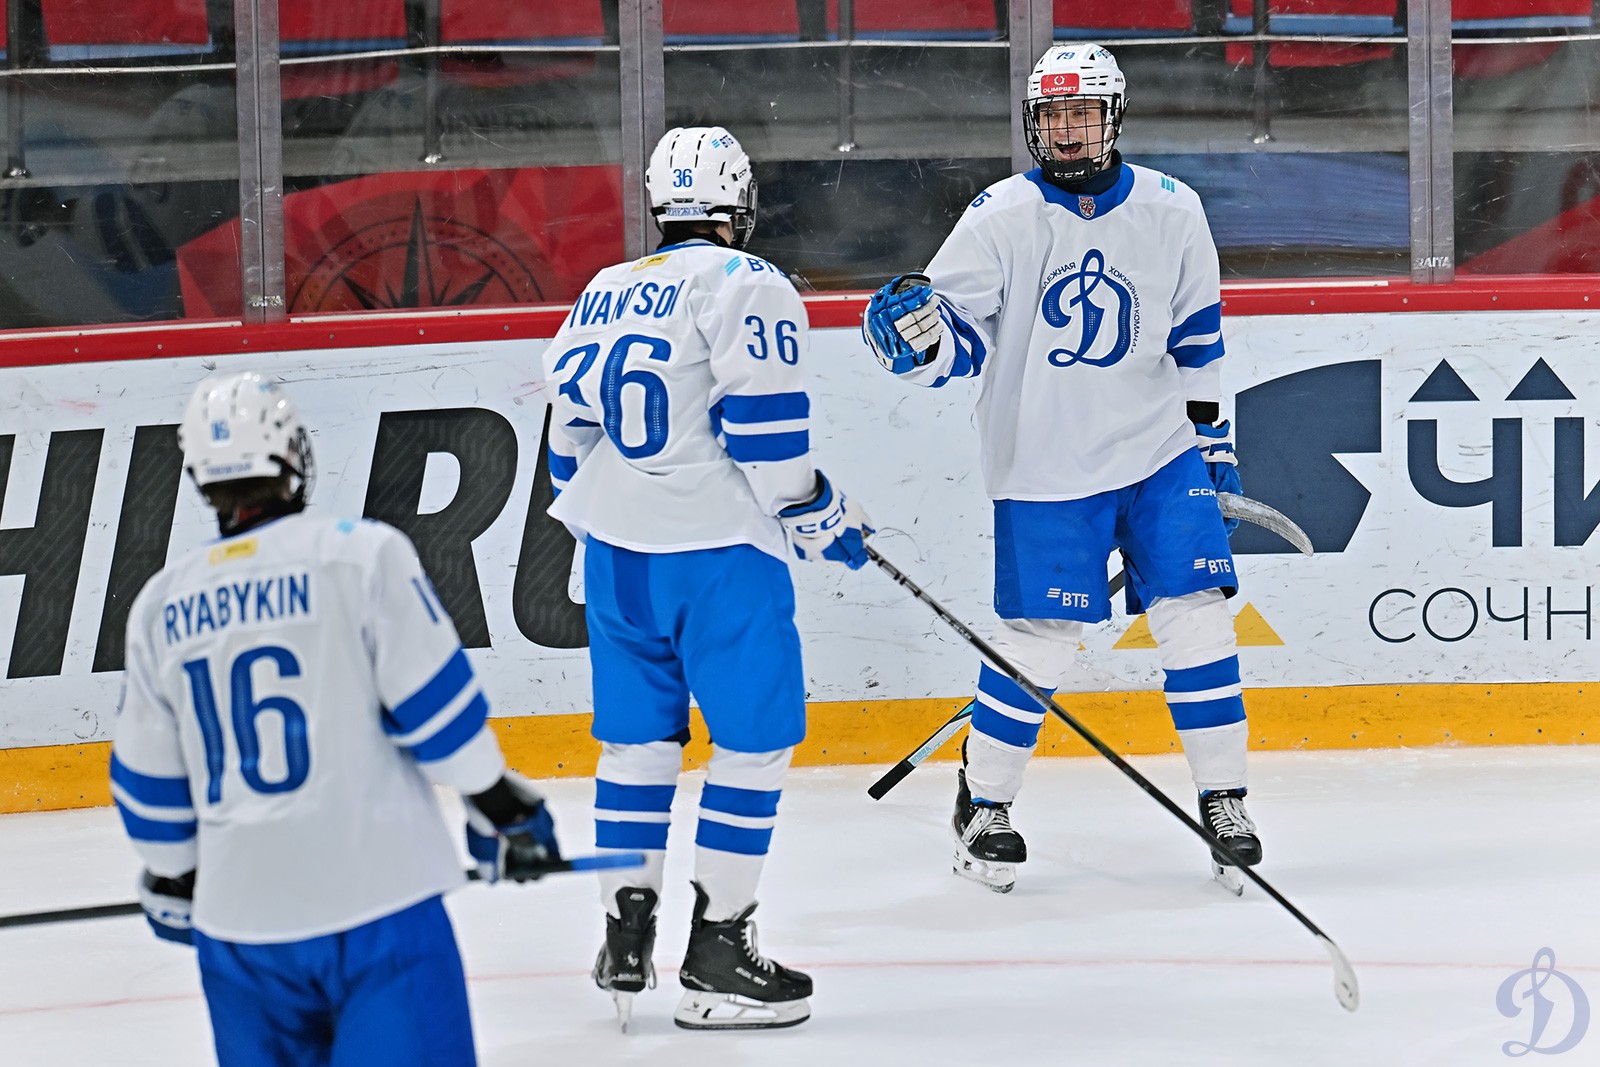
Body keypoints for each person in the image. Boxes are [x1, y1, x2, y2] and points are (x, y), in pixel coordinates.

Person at [861, 43, 1261, 894]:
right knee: (1039, 644)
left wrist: (1213, 444)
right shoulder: (1000, 215)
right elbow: (956, 341)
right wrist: (917, 346)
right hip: (1043, 466)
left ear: (1113, 117)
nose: (1067, 130)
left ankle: (1225, 799)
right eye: (1052, 115)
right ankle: (984, 803)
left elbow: (1197, 338)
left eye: (1082, 113)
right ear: (1032, 123)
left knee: (1198, 618)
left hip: (1159, 454)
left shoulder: (1173, 208)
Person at [111, 371, 562, 1067]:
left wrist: (177, 877)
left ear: (199, 474)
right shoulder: (360, 554)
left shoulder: (160, 604)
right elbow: (440, 722)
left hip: (243, 936)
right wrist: (505, 810)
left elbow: (151, 795)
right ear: (293, 454)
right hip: (379, 906)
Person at [541, 125, 872, 1031]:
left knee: (637, 747)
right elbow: (765, 432)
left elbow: (566, 439)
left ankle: (624, 933)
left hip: (615, 557)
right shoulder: (746, 281)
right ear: (740, 204)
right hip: (719, 554)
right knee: (753, 746)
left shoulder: (605, 288)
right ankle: (719, 948)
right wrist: (817, 512)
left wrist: (611, 521)